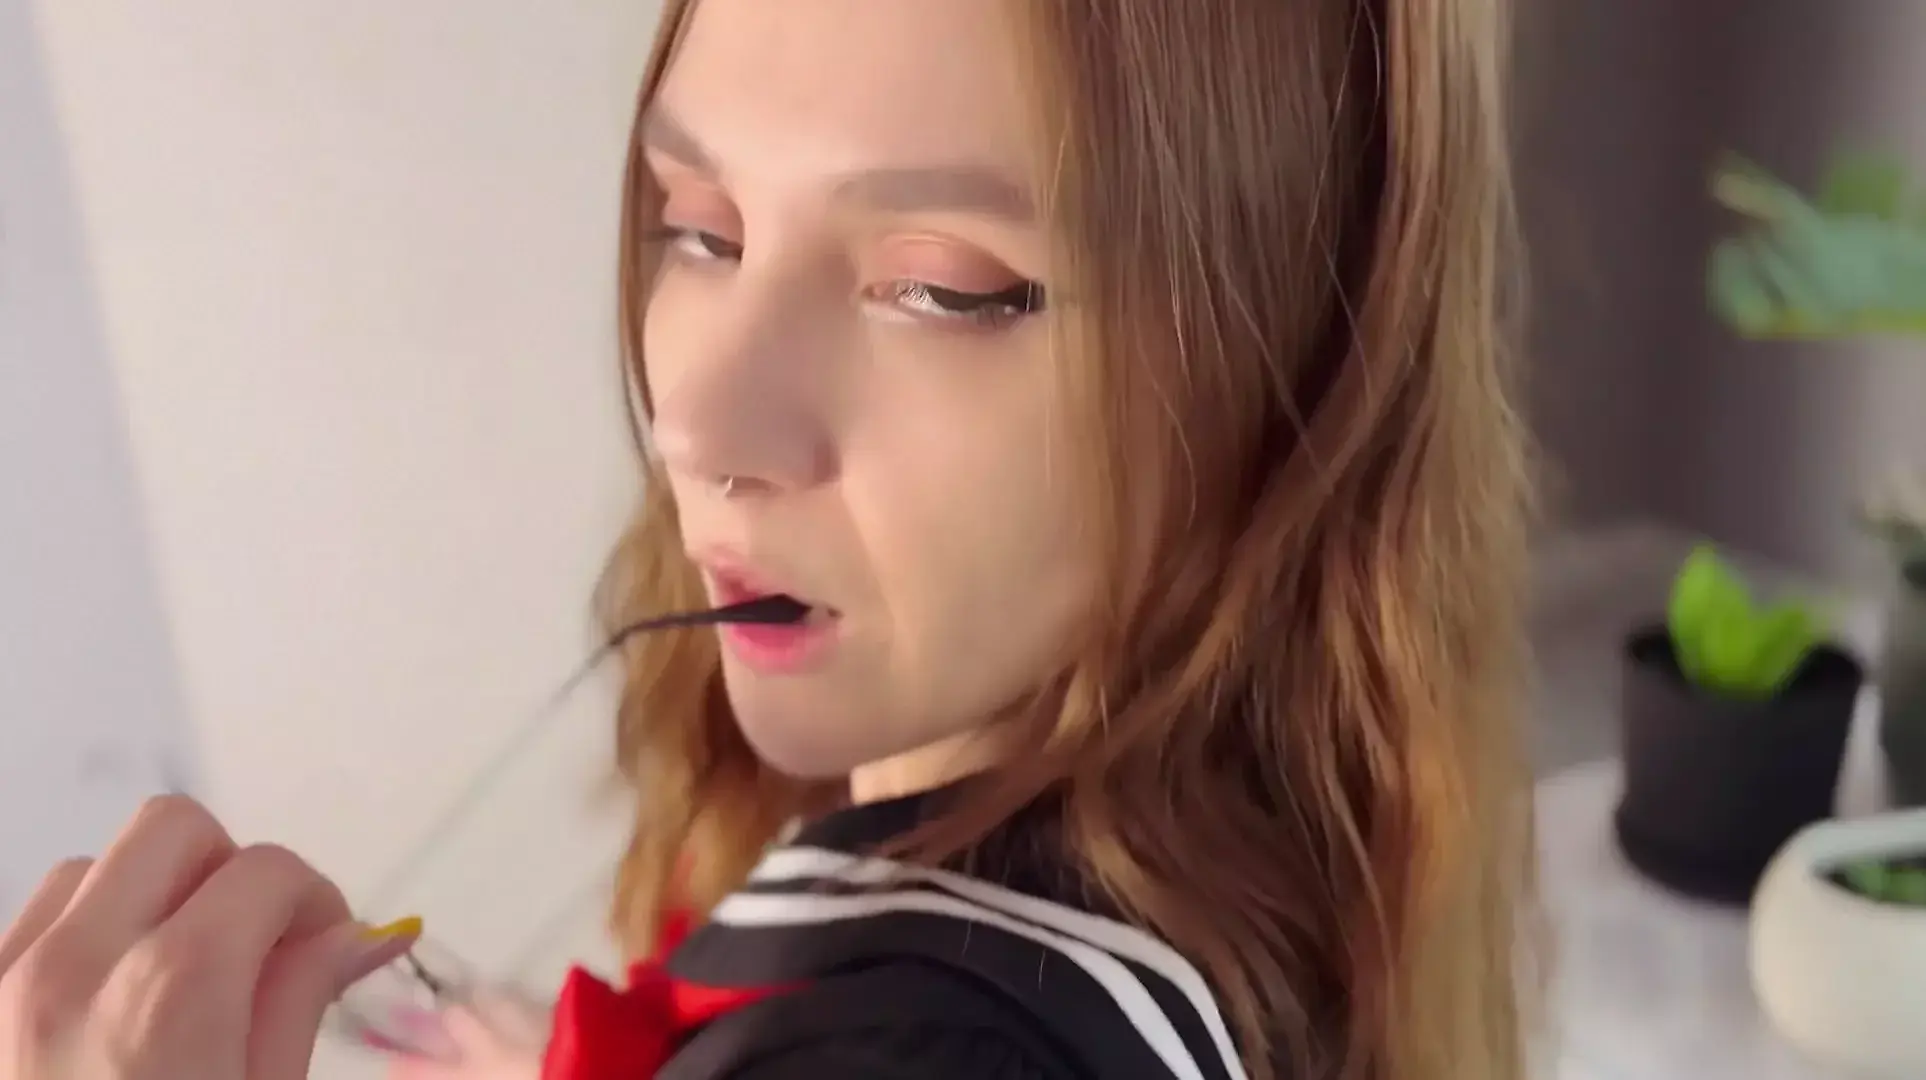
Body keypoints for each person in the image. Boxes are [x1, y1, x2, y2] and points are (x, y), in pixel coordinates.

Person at [0, 0, 1536, 1077]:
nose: (698, 429)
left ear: (1286, 368)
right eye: (700, 228)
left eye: (938, 286)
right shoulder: (1257, 850)